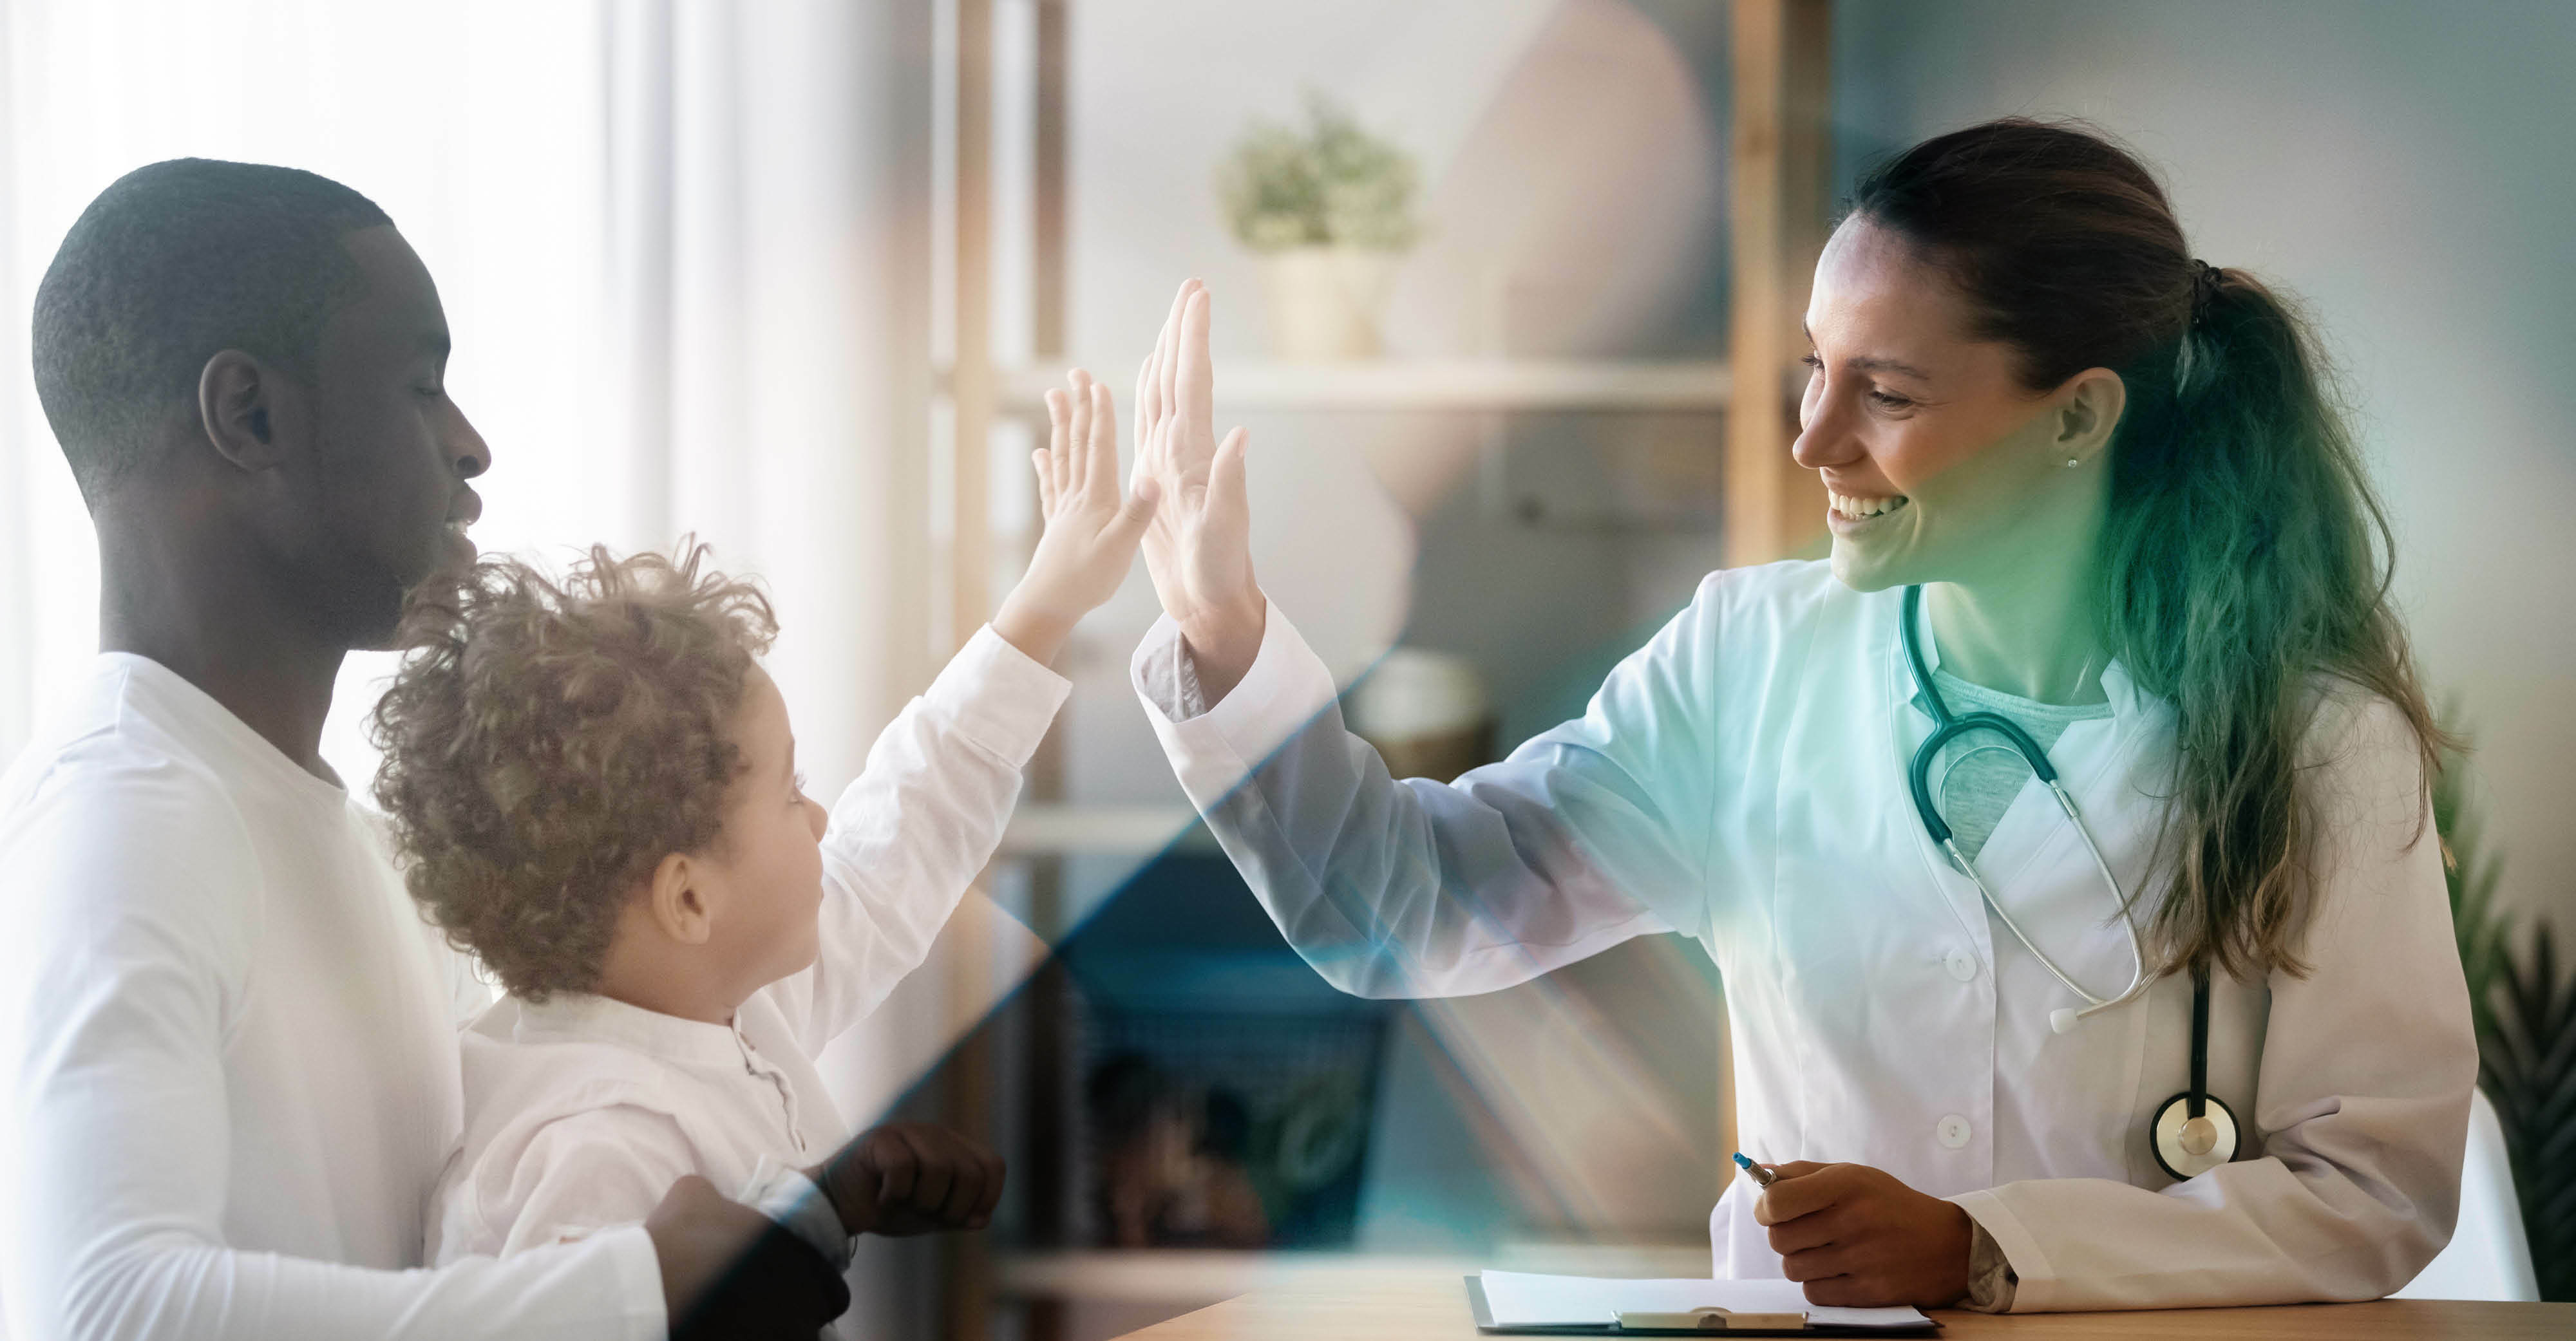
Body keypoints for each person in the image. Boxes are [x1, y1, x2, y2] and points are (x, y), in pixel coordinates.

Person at [1120, 119, 2476, 1313]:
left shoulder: (2314, 745)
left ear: (2076, 419)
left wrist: (1984, 1247)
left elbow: (2372, 1191)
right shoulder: (1745, 664)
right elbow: (1407, 908)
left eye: (1884, 393)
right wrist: (1227, 644)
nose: (1812, 440)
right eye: (1813, 370)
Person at [8, 158, 863, 1340]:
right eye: (421, 386)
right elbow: (102, 1313)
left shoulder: (337, 838)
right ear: (249, 415)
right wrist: (637, 1289)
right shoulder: (129, 812)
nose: (471, 447)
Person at [370, 370, 1150, 1268]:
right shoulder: (589, 1148)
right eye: (790, 793)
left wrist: (1046, 606)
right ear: (689, 900)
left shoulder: (708, 1002)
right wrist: (819, 1213)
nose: (820, 819)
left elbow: (898, 840)